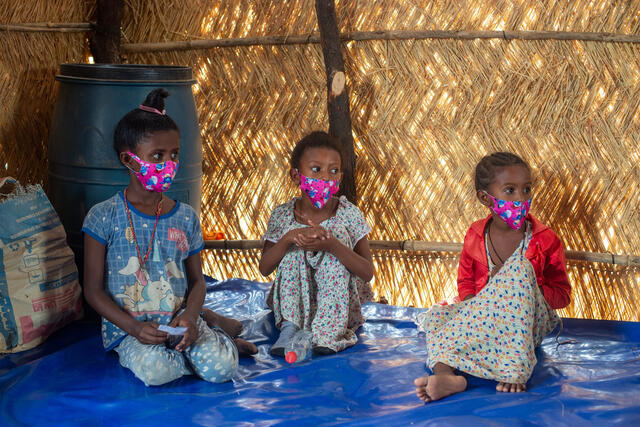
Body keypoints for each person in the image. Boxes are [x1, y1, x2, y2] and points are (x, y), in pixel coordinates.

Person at [83, 88, 255, 387]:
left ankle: (209, 331)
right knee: (157, 372)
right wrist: (135, 329)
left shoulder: (185, 216)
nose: (169, 163)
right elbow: (93, 291)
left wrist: (189, 317)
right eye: (157, 156)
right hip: (131, 328)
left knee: (222, 370)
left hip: (180, 321)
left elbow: (198, 281)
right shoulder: (103, 217)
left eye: (174, 155)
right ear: (130, 160)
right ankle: (211, 331)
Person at [414, 151, 571, 401]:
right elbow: (466, 283)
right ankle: (445, 375)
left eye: (526, 189)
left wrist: (523, 285)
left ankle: (514, 370)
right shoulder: (476, 234)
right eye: (510, 190)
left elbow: (562, 295)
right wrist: (476, 308)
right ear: (484, 198)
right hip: (486, 318)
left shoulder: (545, 239)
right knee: (436, 317)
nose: (521, 198)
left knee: (519, 269)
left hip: (527, 323)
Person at [259, 131, 375, 355]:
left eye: (333, 171)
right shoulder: (282, 215)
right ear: (295, 176)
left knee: (335, 243)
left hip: (338, 307)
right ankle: (290, 327)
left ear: (339, 178)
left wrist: (333, 246)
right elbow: (265, 268)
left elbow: (367, 272)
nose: (325, 177)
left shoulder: (348, 214)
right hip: (296, 304)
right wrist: (288, 239)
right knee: (292, 251)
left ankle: (328, 332)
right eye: (316, 169)